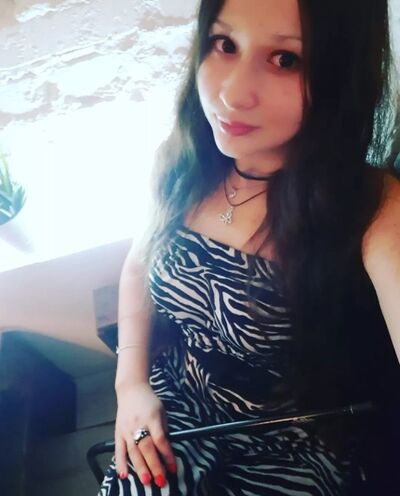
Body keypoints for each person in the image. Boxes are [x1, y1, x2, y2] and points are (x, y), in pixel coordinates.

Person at [99, 0, 400, 494]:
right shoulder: (180, 162)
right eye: (224, 44)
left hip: (296, 438)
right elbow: (139, 266)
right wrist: (130, 385)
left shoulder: (371, 205)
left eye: (286, 59)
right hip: (175, 402)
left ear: (340, 72)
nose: (232, 94)